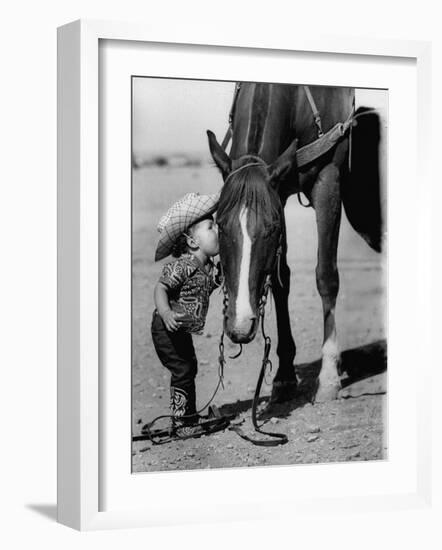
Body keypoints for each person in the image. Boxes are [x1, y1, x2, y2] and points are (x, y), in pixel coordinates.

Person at [151, 192, 221, 436]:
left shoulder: (209, 268)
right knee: (182, 370)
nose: (218, 231)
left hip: (180, 329)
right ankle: (181, 424)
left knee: (189, 367)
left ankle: (187, 416)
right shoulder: (184, 266)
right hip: (166, 326)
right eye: (211, 227)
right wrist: (166, 312)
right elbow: (161, 288)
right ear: (193, 242)